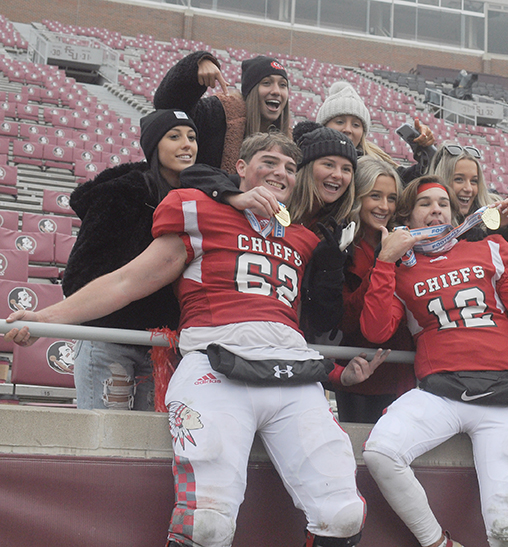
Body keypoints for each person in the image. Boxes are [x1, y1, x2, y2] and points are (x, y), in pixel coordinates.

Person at [6, 132, 383, 547]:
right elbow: (128, 282)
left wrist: (338, 373)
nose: (281, 173)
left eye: (290, 168)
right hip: (217, 369)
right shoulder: (201, 211)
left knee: (344, 514)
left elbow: (294, 326)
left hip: (292, 376)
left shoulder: (302, 237)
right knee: (207, 523)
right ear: (240, 167)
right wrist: (45, 318)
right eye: (269, 162)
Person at [359, 175, 508, 547]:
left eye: (443, 203)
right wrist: (385, 261)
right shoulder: (402, 267)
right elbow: (376, 331)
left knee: (502, 530)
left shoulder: (492, 248)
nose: (436, 209)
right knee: (382, 452)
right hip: (440, 392)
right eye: (425, 203)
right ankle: (438, 543)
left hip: (502, 397)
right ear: (409, 216)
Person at [62, 109, 197, 411]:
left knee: (150, 444)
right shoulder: (121, 194)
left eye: (191, 137)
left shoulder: (200, 200)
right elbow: (79, 275)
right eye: (174, 137)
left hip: (164, 345)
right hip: (110, 338)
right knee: (104, 440)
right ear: (153, 146)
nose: (186, 144)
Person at [336, 156, 415, 423]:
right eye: (375, 196)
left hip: (405, 372)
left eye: (391, 198)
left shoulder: (405, 241)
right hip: (362, 373)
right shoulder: (341, 246)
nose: (384, 206)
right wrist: (381, 265)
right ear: (357, 196)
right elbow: (346, 318)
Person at [154, 51, 290, 173]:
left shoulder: (290, 140)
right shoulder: (219, 114)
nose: (276, 91)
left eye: (283, 85)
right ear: (251, 92)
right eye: (266, 83)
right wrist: (197, 64)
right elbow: (167, 106)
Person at [316, 81, 435, 184]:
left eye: (356, 125)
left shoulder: (376, 166)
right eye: (340, 122)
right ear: (323, 126)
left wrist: (424, 150)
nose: (348, 129)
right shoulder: (305, 157)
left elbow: (414, 181)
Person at [429, 143, 508, 246]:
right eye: (459, 179)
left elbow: (506, 259)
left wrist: (501, 229)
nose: (468, 188)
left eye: (474, 181)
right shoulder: (424, 217)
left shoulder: (493, 215)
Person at [287, 121, 358, 232]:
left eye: (346, 169)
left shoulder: (343, 227)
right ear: (306, 167)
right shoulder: (274, 206)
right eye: (329, 165)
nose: (338, 175)